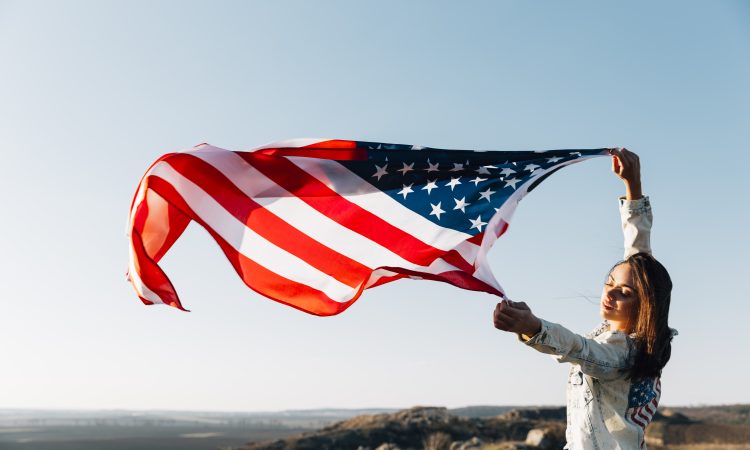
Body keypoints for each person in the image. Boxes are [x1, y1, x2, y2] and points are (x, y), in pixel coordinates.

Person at [492, 147, 675, 450]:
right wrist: (633, 186)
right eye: (609, 282)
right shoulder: (632, 331)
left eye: (624, 293)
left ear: (646, 306)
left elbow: (581, 350)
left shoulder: (624, 351)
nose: (610, 293)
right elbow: (638, 254)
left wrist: (535, 327)